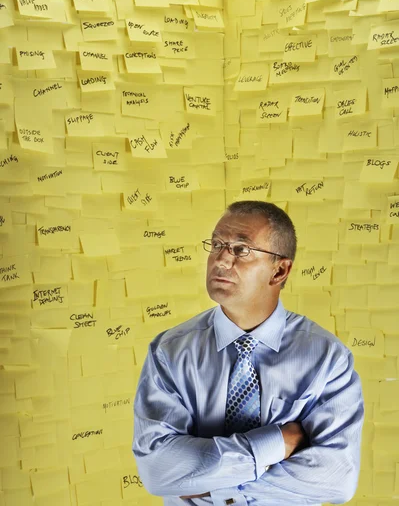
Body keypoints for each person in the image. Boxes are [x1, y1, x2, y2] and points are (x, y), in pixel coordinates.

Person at [132, 200, 364, 506]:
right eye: (216, 244)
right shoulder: (171, 351)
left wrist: (210, 486)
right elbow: (157, 471)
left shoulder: (327, 359)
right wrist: (276, 445)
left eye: (241, 250)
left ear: (279, 270)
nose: (221, 260)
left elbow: (336, 479)